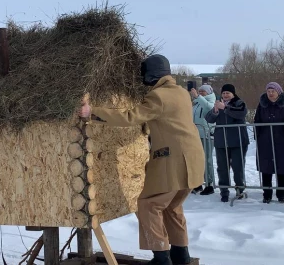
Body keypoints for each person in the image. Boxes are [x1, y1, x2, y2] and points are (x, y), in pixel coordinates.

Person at [79, 54, 204, 265]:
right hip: (192, 160)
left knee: (148, 205)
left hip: (172, 161)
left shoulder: (159, 96)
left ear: (151, 74)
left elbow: (130, 117)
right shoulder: (181, 92)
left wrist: (93, 112)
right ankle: (181, 255)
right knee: (171, 207)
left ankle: (161, 257)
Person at [204, 83, 250, 203]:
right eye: (224, 93)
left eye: (228, 93)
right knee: (222, 168)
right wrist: (215, 110)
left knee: (238, 166)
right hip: (221, 141)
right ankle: (224, 191)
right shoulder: (218, 104)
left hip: (237, 140)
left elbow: (241, 114)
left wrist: (225, 108)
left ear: (233, 94)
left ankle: (240, 189)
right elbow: (209, 119)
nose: (225, 95)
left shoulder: (239, 103)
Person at [254, 82, 284, 203]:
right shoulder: (262, 105)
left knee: (281, 168)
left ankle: (281, 193)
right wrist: (259, 136)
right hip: (265, 140)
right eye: (269, 91)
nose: (271, 93)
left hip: (281, 141)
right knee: (266, 169)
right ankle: (267, 194)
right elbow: (257, 121)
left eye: (273, 91)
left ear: (278, 92)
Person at [190, 84, 217, 195]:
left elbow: (208, 108)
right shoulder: (196, 103)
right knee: (196, 160)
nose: (201, 93)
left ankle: (209, 184)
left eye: (203, 91)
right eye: (199, 91)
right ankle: (198, 183)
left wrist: (197, 97)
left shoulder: (212, 102)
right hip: (196, 135)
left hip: (206, 135)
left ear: (209, 92)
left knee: (207, 159)